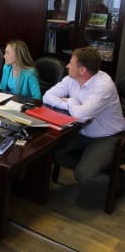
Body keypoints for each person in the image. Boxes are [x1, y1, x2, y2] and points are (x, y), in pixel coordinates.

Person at [43, 47, 125, 190]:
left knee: (84, 176)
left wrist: (70, 101)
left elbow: (80, 117)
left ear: (82, 70)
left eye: (71, 63)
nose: (67, 65)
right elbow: (47, 96)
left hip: (107, 136)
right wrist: (73, 105)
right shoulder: (71, 78)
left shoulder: (104, 85)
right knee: (50, 153)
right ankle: (89, 164)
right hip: (82, 131)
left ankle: (119, 180)